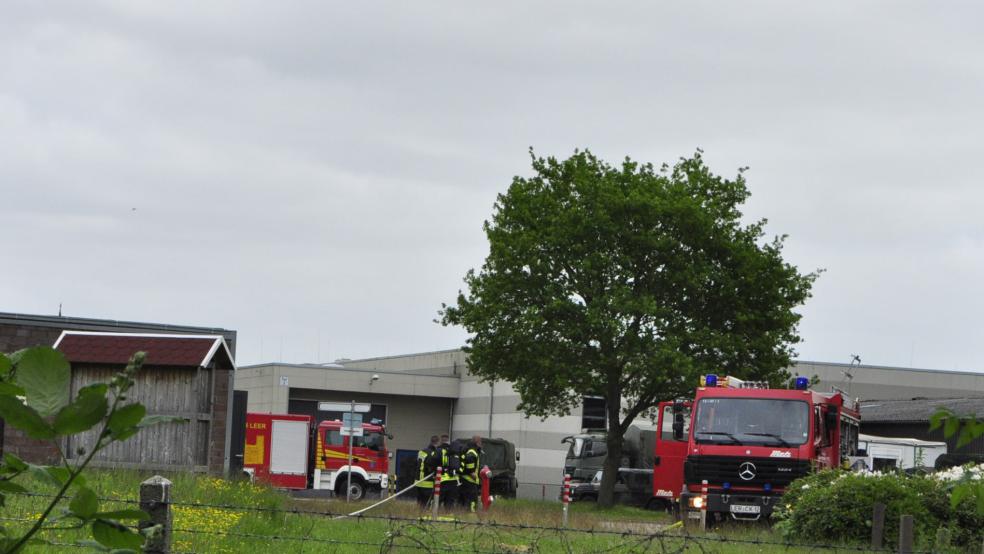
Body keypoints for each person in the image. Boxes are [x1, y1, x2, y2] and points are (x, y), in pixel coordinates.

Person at [459, 435, 482, 511]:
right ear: (477, 442)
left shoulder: (470, 449)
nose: (481, 444)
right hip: (470, 480)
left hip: (467, 480)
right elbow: (469, 463)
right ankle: (470, 513)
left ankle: (466, 512)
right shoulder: (472, 452)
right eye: (480, 441)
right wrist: (472, 474)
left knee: (466, 500)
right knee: (471, 500)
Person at [416, 435, 440, 507]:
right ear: (437, 443)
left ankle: (418, 513)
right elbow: (430, 466)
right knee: (426, 503)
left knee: (419, 502)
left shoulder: (421, 451)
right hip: (427, 481)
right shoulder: (434, 453)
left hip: (418, 481)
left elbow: (417, 463)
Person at [438, 434, 460, 507]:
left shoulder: (439, 450)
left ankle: (436, 513)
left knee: (438, 500)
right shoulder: (455, 450)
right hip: (454, 479)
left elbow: (433, 462)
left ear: (441, 441)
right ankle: (448, 513)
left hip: (443, 479)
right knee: (450, 502)